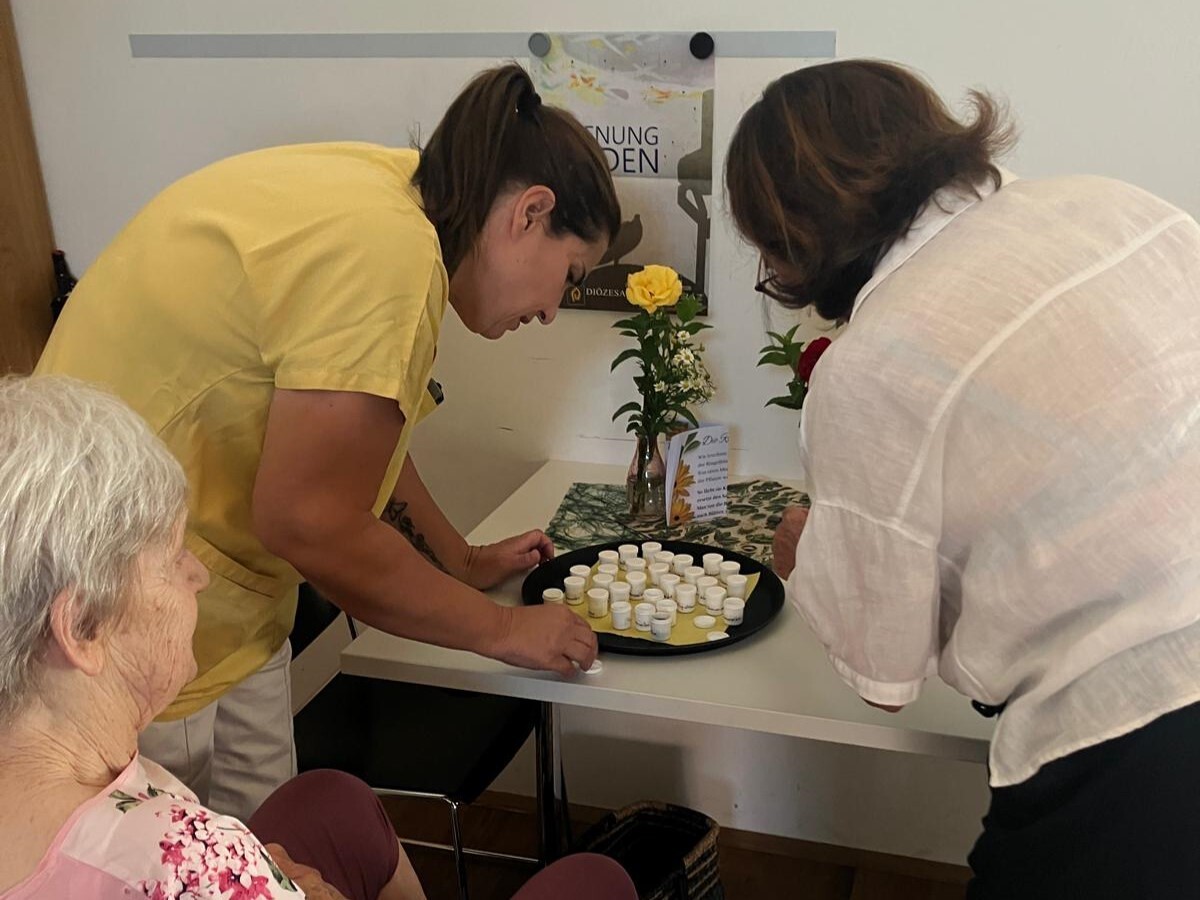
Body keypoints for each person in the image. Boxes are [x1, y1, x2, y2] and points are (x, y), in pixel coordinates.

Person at [35, 64, 617, 819]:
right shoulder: (389, 250)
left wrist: (460, 560)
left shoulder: (395, 198)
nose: (551, 312)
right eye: (569, 278)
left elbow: (353, 438)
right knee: (182, 861)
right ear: (530, 213)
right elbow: (312, 519)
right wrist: (506, 630)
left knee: (271, 849)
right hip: (120, 610)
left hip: (221, 602)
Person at [725, 60, 1200, 898]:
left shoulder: (876, 361)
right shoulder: (1111, 203)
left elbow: (886, 677)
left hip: (1143, 740)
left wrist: (815, 566)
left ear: (792, 236)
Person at [0, 375, 638, 900]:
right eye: (172, 556)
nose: (197, 573)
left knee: (330, 798)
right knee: (596, 880)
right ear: (82, 626)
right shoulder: (190, 865)